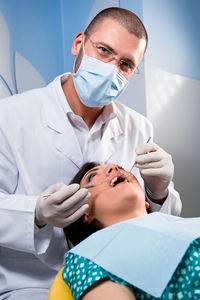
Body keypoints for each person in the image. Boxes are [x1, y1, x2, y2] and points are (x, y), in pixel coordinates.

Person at [0, 7, 181, 299]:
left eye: (125, 64)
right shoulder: (8, 117)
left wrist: (158, 192)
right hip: (30, 285)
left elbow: (152, 224)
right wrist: (35, 213)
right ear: (78, 43)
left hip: (119, 276)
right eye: (104, 51)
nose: (112, 68)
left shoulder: (138, 126)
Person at [62, 162, 200, 300]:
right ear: (85, 213)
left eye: (120, 168)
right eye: (92, 176)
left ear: (146, 201)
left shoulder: (188, 226)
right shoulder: (88, 257)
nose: (113, 168)